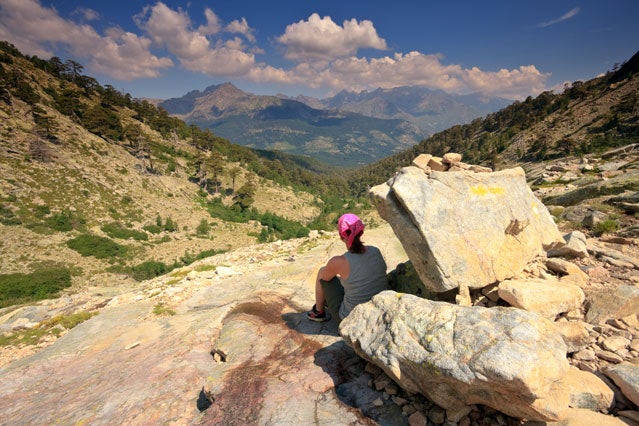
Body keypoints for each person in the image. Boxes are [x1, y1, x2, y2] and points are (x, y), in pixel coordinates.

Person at [307, 213, 388, 325]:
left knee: (322, 272)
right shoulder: (375, 251)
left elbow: (325, 278)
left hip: (350, 320)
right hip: (378, 313)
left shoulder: (339, 262)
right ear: (361, 232)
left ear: (341, 236)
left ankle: (318, 312)